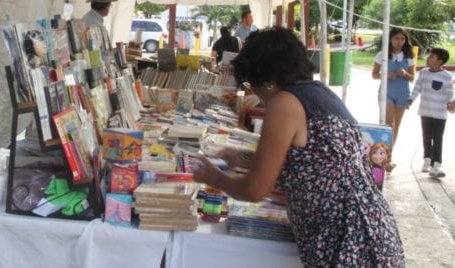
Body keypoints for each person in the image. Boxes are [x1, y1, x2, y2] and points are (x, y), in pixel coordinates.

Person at [193, 27, 404, 267]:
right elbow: (312, 163)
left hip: (349, 239)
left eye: (252, 82)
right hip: (372, 230)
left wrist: (214, 178)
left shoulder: (284, 103)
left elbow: (255, 190)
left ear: (267, 79)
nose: (256, 94)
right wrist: (244, 158)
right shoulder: (321, 93)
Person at [371, 28, 415, 170]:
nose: (399, 42)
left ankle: (389, 156)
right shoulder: (382, 54)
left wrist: (405, 74)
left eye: (402, 39)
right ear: (390, 39)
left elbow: (412, 78)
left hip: (402, 93)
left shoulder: (409, 56)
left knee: (397, 126)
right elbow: (374, 74)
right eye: (396, 38)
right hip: (386, 92)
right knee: (389, 125)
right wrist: (385, 75)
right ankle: (384, 159)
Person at [407, 47, 454, 177]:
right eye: (429, 56)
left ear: (440, 61)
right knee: (426, 136)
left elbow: (449, 93)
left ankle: (436, 165)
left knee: (438, 138)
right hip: (425, 111)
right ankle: (427, 160)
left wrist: (450, 104)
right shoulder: (424, 72)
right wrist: (411, 99)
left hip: (440, 113)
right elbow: (417, 87)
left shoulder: (446, 76)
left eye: (432, 56)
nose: (428, 58)